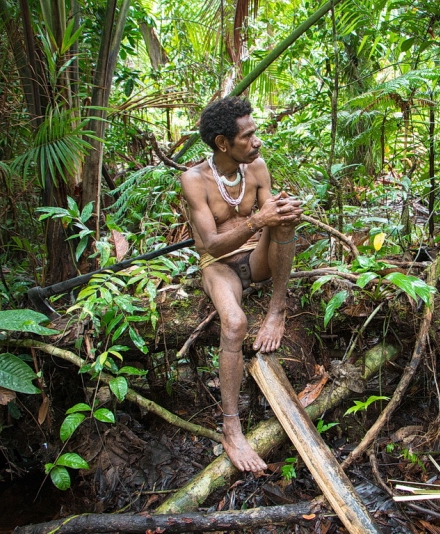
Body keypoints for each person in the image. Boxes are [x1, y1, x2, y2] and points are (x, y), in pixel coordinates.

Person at [180, 97, 303, 472]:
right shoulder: (194, 180)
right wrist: (256, 221)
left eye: (255, 133)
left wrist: (283, 212)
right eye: (248, 136)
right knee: (234, 323)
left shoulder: (258, 168)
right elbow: (211, 244)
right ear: (222, 143)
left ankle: (275, 312)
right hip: (218, 266)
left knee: (283, 222)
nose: (257, 141)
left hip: (257, 259)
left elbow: (273, 219)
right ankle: (231, 428)